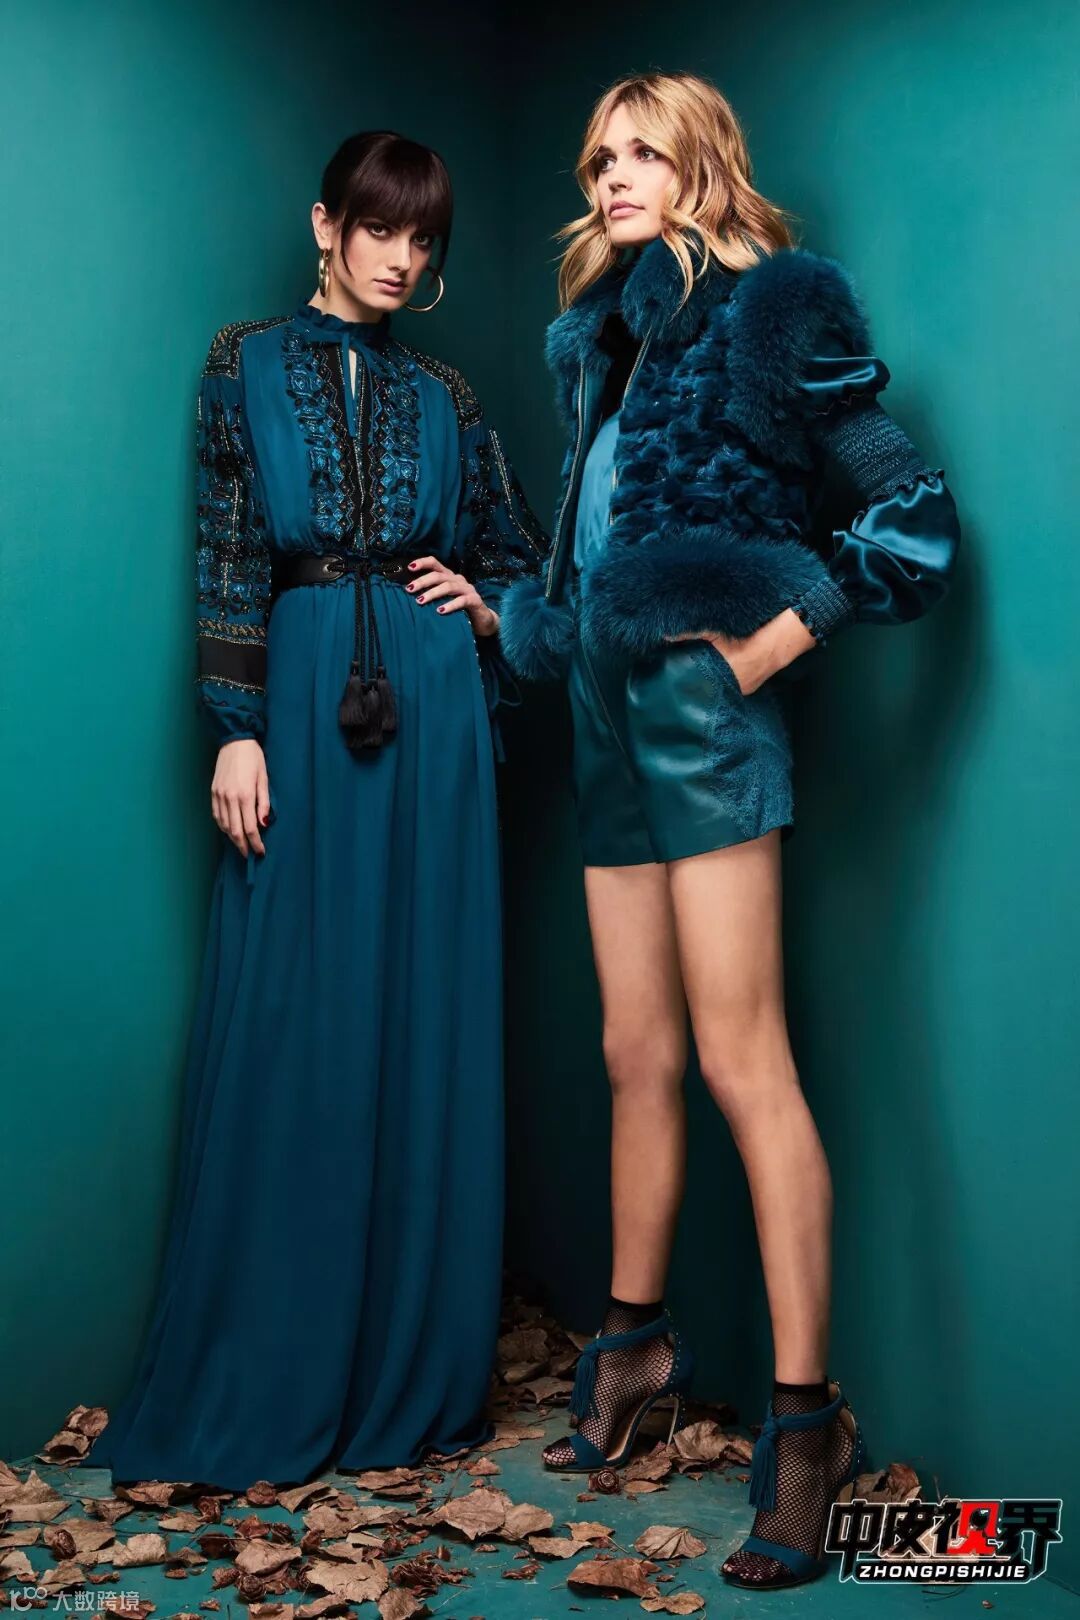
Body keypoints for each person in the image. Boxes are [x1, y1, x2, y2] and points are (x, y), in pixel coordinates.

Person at [499, 72, 960, 1591]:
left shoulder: (776, 308)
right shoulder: (605, 335)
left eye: (642, 152)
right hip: (602, 709)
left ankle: (805, 1427)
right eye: (599, 158)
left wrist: (773, 643)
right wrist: (523, 620)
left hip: (704, 711)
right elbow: (597, 527)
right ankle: (633, 1349)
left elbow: (912, 515)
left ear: (701, 162)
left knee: (738, 1058)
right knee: (634, 1051)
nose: (613, 177)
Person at [83, 130, 547, 1491]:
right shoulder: (244, 362)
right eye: (380, 229)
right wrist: (234, 731)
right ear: (325, 225)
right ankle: (274, 1361)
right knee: (295, 1010)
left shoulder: (450, 394)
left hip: (433, 714)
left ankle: (409, 1364)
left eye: (425, 238)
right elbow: (230, 551)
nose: (403, 258)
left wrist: (485, 610)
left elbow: (522, 558)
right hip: (295, 703)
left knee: (420, 1006)